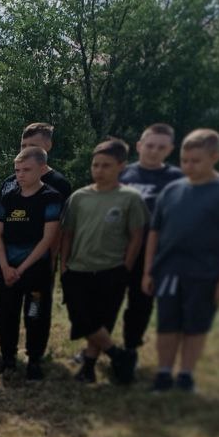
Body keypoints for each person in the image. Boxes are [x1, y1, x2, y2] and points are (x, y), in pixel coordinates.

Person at [141, 128, 219, 393]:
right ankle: (164, 374)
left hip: (206, 273)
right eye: (184, 160)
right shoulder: (171, 190)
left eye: (196, 161)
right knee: (167, 324)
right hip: (169, 270)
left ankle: (186, 375)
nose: (189, 166)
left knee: (195, 326)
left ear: (215, 157)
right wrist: (148, 270)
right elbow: (155, 232)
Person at [0, 123, 74, 357]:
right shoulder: (10, 182)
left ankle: (35, 353)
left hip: (39, 261)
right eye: (23, 145)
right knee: (3, 304)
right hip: (9, 259)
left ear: (48, 146)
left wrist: (52, 260)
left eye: (32, 145)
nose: (26, 149)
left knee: (36, 309)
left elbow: (59, 230)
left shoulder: (58, 184)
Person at [58, 138, 145, 384]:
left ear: (121, 166)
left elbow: (137, 236)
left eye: (106, 165)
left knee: (100, 320)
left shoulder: (130, 198)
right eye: (95, 165)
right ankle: (119, 355)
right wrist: (63, 266)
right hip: (77, 269)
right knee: (82, 319)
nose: (99, 170)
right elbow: (67, 234)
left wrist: (126, 266)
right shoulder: (79, 197)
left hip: (111, 269)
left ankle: (88, 368)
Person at [0, 147, 63, 380]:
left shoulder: (50, 197)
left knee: (35, 315)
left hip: (35, 272)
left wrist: (20, 269)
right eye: (17, 170)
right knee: (6, 315)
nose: (20, 175)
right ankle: (8, 359)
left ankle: (34, 361)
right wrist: (4, 267)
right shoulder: (8, 197)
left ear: (42, 169)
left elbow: (48, 239)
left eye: (26, 170)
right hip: (7, 270)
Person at [119, 123, 184, 368]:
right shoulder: (122, 174)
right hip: (116, 251)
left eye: (161, 147)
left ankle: (130, 348)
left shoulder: (177, 179)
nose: (154, 151)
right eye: (150, 145)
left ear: (170, 150)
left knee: (141, 303)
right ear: (139, 146)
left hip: (152, 255)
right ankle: (95, 347)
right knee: (105, 300)